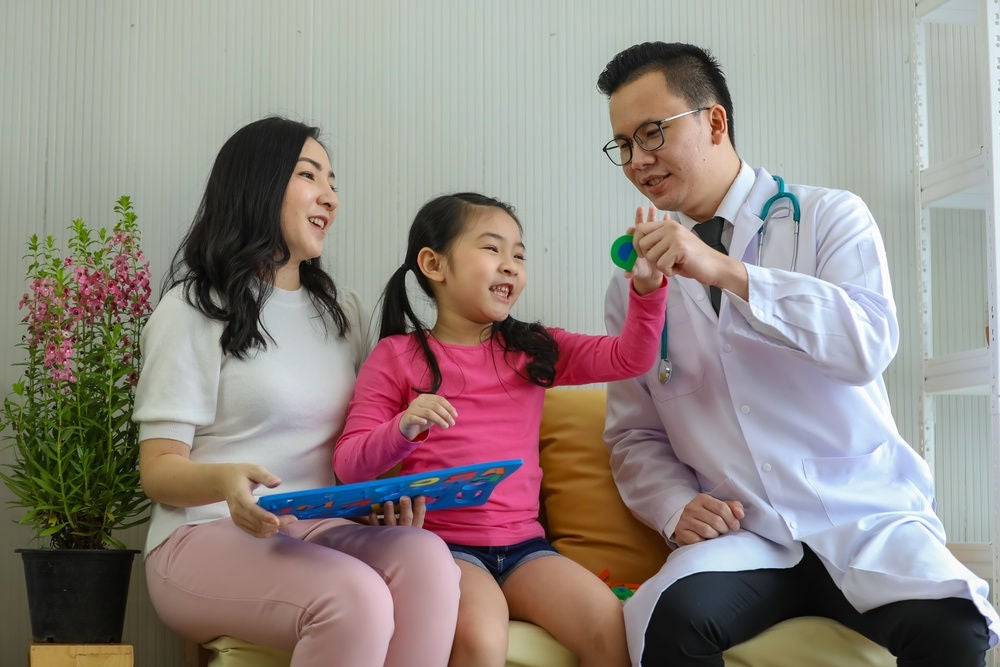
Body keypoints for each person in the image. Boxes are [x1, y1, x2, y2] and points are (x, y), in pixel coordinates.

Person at [596, 41, 1000, 667]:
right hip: (749, 533)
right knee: (670, 625)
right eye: (623, 145)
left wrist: (729, 272)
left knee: (955, 630)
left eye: (652, 134)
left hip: (860, 517)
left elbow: (866, 344)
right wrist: (674, 505)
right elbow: (634, 434)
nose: (638, 160)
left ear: (714, 121)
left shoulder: (829, 217)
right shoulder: (637, 287)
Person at [133, 116, 461, 667]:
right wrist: (225, 481)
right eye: (310, 176)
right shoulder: (193, 308)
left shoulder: (345, 313)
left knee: (427, 559)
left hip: (314, 526)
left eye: (333, 182)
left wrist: (384, 499)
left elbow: (358, 438)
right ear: (259, 185)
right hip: (203, 534)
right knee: (355, 598)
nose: (330, 196)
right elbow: (159, 470)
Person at [333, 192, 667, 667]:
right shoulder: (396, 356)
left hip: (526, 548)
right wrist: (402, 429)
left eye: (519, 254)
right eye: (492, 249)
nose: (511, 265)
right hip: (443, 549)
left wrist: (648, 289)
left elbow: (629, 357)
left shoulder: (534, 349)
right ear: (434, 264)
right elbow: (348, 465)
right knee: (483, 640)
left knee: (608, 622)